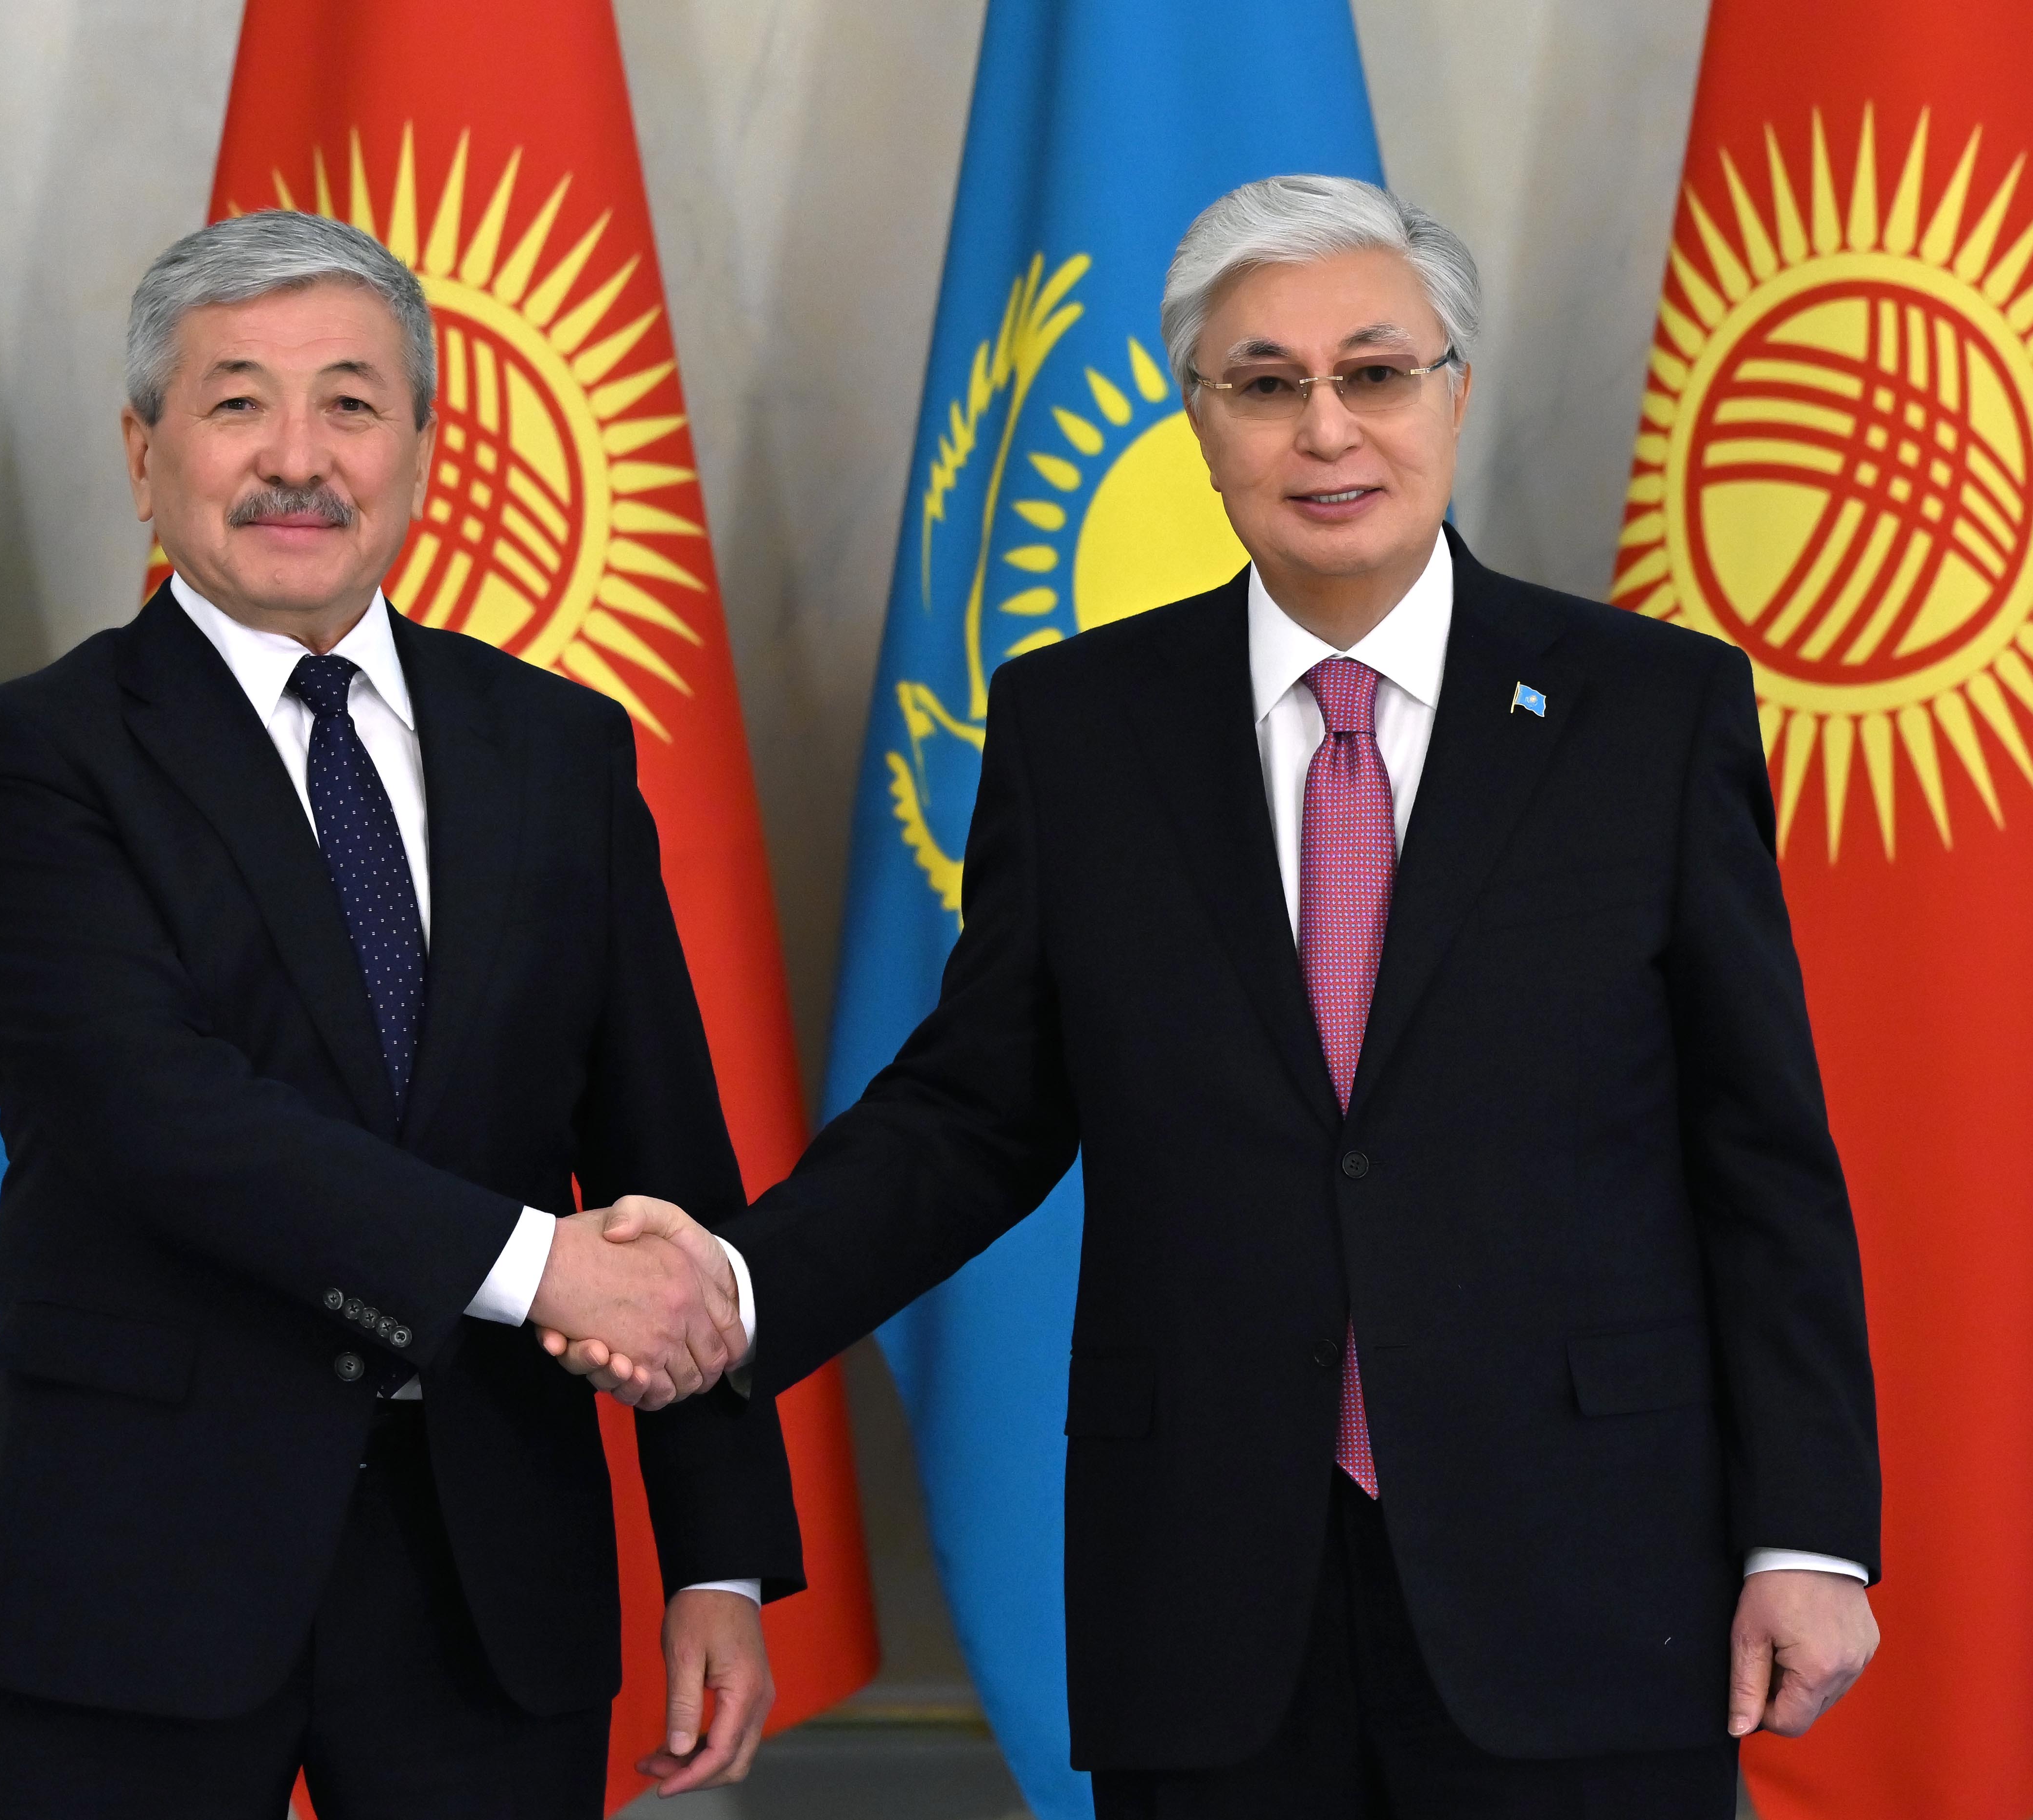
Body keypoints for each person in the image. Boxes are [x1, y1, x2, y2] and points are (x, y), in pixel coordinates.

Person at [549, 175, 1882, 1818]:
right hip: (1206, 1589)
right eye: (1264, 384)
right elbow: (976, 1110)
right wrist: (737, 1286)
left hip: (1586, 1574)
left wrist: (1808, 1532)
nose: (1324, 428)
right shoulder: (1079, 727)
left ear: (1454, 392)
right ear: (1198, 420)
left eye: (1374, 373)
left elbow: (1759, 1150)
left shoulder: (1648, 712)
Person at [0, 211, 783, 1820]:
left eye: (351, 404)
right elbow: (155, 1114)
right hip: (138, 1560)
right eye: (237, 402)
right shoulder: (29, 761)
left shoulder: (559, 747)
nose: (297, 460)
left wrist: (715, 1555)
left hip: (491, 1565)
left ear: (424, 453)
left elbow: (667, 1161)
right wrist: (539, 1265)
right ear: (145, 454)